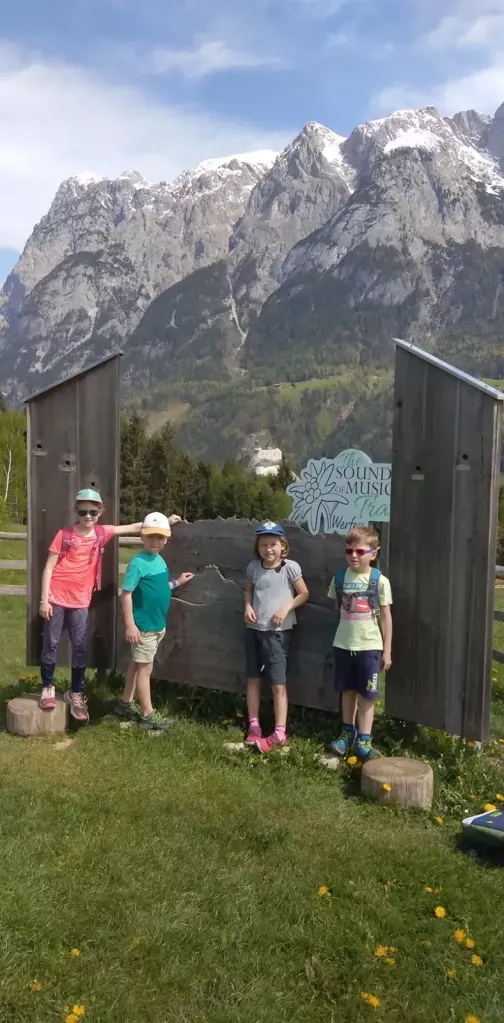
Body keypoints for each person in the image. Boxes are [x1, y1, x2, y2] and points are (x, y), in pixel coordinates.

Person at [39, 490, 181, 723]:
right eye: (83, 511)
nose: (88, 516)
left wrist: (164, 520)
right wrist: (45, 600)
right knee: (51, 642)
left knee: (80, 647)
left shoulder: (100, 533)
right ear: (77, 511)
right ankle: (48, 686)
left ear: (100, 512)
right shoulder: (64, 535)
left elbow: (135, 527)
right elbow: (49, 567)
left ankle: (76, 692)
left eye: (93, 511)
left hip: (81, 601)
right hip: (56, 597)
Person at [114, 512, 194, 731]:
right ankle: (148, 715)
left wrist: (176, 583)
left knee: (137, 665)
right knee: (145, 669)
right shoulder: (138, 563)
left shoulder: (159, 561)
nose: (155, 541)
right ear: (142, 536)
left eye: (160, 538)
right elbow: (127, 594)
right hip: (144, 627)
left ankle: (125, 703)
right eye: (151, 537)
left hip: (158, 624)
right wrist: (130, 624)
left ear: (166, 540)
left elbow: (157, 589)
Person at [326, 525, 392, 761]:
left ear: (373, 554)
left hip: (370, 647)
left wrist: (387, 650)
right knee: (347, 691)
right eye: (349, 551)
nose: (354, 555)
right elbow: (336, 608)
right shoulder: (340, 578)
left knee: (367, 695)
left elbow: (386, 616)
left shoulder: (380, 580)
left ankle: (364, 740)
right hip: (343, 644)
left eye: (360, 551)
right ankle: (346, 734)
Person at [244, 521, 309, 752]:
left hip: (278, 634)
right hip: (254, 630)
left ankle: (280, 731)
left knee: (278, 683)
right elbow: (249, 590)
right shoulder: (253, 567)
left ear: (283, 546)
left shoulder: (290, 567)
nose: (268, 549)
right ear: (257, 547)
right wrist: (247, 606)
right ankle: (254, 726)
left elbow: (304, 593)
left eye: (273, 544)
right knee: (253, 678)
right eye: (263, 544)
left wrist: (286, 608)